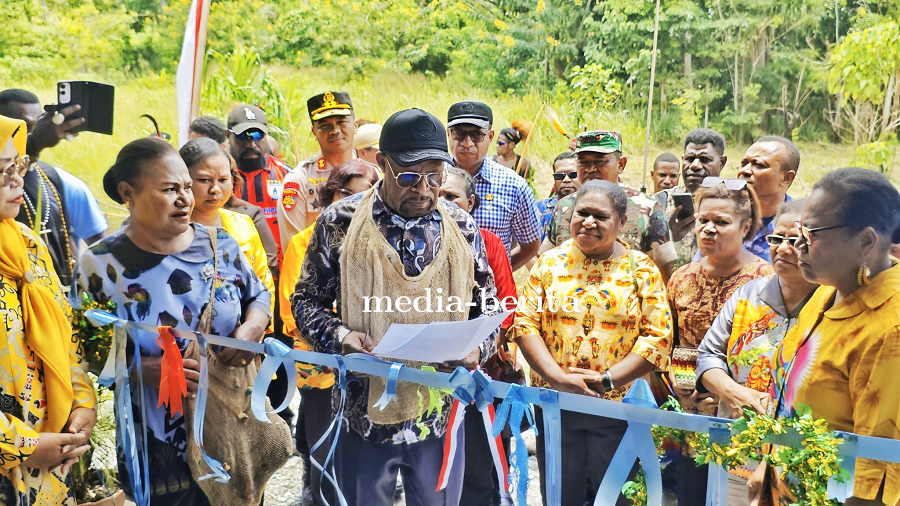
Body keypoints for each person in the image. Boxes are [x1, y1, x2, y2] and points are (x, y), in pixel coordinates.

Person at [292, 108, 499, 506]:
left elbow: (487, 305)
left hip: (438, 412)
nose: (423, 189)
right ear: (382, 163)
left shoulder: (460, 224)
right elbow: (305, 301)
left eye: (435, 177)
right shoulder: (341, 221)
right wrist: (340, 337)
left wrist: (477, 350)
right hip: (361, 412)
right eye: (408, 177)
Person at [78, 138, 271, 505]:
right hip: (158, 441)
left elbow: (258, 295)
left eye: (186, 187)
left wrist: (251, 330)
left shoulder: (221, 245)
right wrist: (140, 368)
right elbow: (79, 348)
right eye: (170, 189)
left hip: (232, 426)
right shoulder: (101, 267)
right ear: (128, 193)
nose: (185, 199)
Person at [511, 180, 673, 506]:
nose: (588, 222)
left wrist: (607, 381)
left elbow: (658, 337)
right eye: (581, 213)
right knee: (559, 495)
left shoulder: (641, 270)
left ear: (621, 223)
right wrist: (558, 378)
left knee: (615, 498)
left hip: (615, 409)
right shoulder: (549, 264)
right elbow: (525, 323)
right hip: (556, 405)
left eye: (600, 216)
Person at [749, 168, 900, 506]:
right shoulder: (826, 293)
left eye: (812, 233)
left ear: (865, 242)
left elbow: (876, 473)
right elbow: (792, 397)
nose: (798, 244)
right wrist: (769, 465)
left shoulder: (891, 329)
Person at [0, 115, 97, 505]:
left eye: (17, 165)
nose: (15, 180)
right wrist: (22, 445)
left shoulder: (26, 243)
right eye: (0, 170)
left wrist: (82, 403)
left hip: (51, 465)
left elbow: (65, 331)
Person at [696, 199, 817, 505]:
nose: (784, 249)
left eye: (796, 241)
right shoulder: (749, 294)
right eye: (777, 239)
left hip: (798, 451)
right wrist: (732, 392)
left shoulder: (831, 304)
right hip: (738, 440)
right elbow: (709, 355)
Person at [279, 160, 380, 505]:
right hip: (321, 370)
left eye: (364, 193)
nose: (353, 201)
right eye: (344, 193)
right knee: (324, 451)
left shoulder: (383, 244)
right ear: (329, 195)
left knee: (365, 453)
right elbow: (292, 309)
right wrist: (338, 338)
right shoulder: (304, 243)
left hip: (371, 368)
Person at [666, 176, 772, 505]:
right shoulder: (682, 277)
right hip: (693, 419)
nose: (709, 229)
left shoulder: (766, 282)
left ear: (746, 226)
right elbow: (677, 344)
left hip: (746, 419)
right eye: (703, 220)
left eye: (721, 222)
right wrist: (687, 395)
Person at [440, 165, 517, 506]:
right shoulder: (410, 242)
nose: (442, 202)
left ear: (469, 202)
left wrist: (476, 345)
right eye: (437, 194)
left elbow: (506, 305)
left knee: (479, 462)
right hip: (429, 373)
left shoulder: (489, 242)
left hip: (479, 372)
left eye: (451, 196)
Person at [542, 130, 677, 281]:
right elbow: (545, 262)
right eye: (583, 162)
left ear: (621, 164)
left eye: (600, 162)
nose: (590, 169)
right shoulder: (564, 206)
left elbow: (662, 276)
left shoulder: (648, 209)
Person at [0, 89, 97, 289]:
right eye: (26, 127)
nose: (15, 179)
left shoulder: (54, 178)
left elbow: (75, 241)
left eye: (19, 167)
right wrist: (34, 143)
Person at [180, 137, 275, 318]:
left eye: (223, 179)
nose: (215, 189)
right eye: (204, 180)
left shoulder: (243, 225)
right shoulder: (171, 229)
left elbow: (264, 283)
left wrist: (257, 325)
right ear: (184, 181)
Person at [447, 101, 541, 271]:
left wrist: (497, 273)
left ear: (490, 137)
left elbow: (530, 245)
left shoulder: (514, 186)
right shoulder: (430, 179)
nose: (467, 143)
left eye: (477, 135)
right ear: (448, 134)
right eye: (459, 134)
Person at [277, 92, 357, 249]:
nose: (335, 130)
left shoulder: (372, 175)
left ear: (355, 126)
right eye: (325, 126)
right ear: (314, 131)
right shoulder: (299, 180)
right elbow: (295, 248)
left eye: (341, 122)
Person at [227, 103, 292, 265]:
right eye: (243, 136)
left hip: (280, 270)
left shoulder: (287, 176)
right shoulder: (219, 178)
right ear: (227, 135)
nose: (251, 144)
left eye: (257, 135)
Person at [656, 128, 729, 270]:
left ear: (722, 162)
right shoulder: (659, 201)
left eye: (704, 159)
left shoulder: (734, 204)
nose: (695, 165)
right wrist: (668, 237)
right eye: (689, 159)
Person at [737, 135, 799, 262]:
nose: (745, 170)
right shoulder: (725, 218)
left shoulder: (800, 229)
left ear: (786, 178)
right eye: (744, 163)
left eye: (758, 165)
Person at [536, 152, 578, 241]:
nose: (566, 180)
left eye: (573, 174)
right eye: (559, 176)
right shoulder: (538, 209)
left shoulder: (591, 209)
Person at [493, 120, 534, 193]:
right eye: (497, 142)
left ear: (511, 145)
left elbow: (528, 188)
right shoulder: (492, 161)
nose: (497, 146)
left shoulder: (523, 164)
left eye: (500, 143)